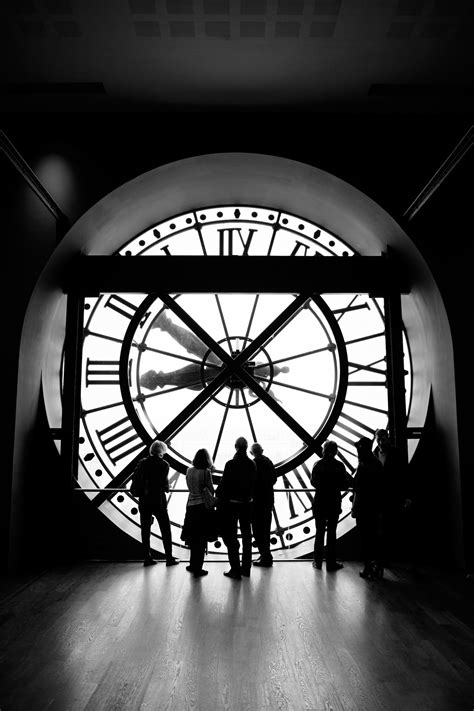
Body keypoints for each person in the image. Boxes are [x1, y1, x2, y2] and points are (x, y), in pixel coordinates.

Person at [130, 440, 179, 567]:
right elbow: (165, 486)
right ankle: (169, 557)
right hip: (158, 501)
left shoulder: (142, 463)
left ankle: (147, 557)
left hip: (144, 501)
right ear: (162, 451)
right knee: (165, 529)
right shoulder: (164, 465)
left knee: (145, 530)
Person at [216, 436, 256, 580]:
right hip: (246, 505)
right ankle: (246, 568)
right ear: (246, 447)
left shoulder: (230, 464)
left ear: (236, 447)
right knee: (247, 536)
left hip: (231, 505)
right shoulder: (252, 464)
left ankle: (235, 569)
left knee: (231, 537)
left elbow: (223, 485)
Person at [311, 440, 352, 571]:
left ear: (323, 450)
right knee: (332, 534)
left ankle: (317, 561)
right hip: (333, 502)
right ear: (336, 451)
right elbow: (344, 484)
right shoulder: (339, 466)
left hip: (320, 502)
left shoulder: (317, 465)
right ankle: (331, 562)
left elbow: (314, 482)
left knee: (319, 532)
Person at [374, 428, 412, 568]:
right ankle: (403, 560)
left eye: (382, 439)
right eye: (380, 440)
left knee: (383, 530)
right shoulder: (397, 453)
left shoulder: (374, 455)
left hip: (383, 498)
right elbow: (404, 476)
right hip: (394, 496)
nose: (381, 442)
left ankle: (385, 559)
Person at [180, 448, 218, 578]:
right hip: (202, 508)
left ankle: (192, 564)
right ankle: (198, 568)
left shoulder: (189, 471)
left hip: (190, 506)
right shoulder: (206, 472)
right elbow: (211, 490)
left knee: (193, 538)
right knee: (202, 540)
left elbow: (190, 487)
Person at [352, 437, 384, 579]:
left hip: (364, 507)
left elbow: (358, 488)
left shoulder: (363, 465)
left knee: (366, 538)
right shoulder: (376, 464)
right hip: (373, 507)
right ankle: (376, 566)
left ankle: (369, 567)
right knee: (373, 538)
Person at [250, 442, 278, 567]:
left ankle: (265, 555)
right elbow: (274, 479)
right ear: (262, 450)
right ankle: (266, 555)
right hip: (267, 500)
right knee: (265, 529)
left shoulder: (253, 464)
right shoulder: (268, 462)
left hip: (256, 502)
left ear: (252, 452)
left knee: (257, 530)